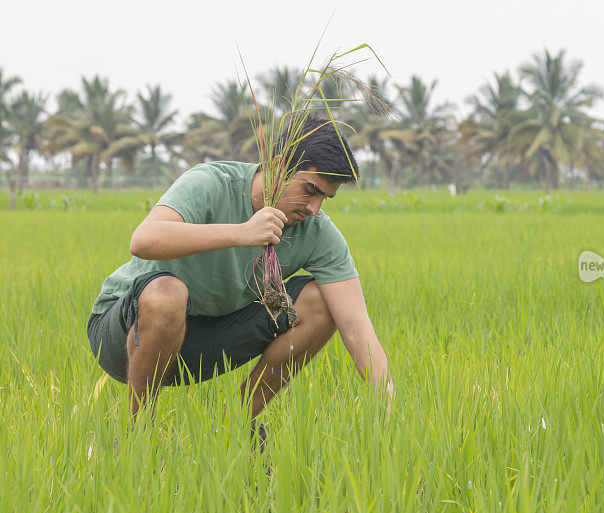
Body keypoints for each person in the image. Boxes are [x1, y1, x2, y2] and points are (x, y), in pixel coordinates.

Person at [86, 117, 395, 446]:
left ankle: (232, 427)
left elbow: (356, 325)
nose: (314, 208)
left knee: (321, 302)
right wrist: (242, 233)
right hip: (126, 335)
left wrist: (387, 400)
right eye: (310, 190)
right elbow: (144, 239)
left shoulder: (316, 232)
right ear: (278, 167)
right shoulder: (211, 183)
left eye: (325, 199)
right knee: (167, 293)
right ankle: (138, 435)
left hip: (207, 339)